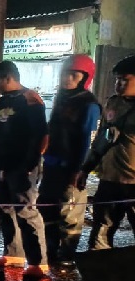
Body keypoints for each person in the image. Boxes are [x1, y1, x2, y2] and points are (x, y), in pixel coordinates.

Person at [0, 60, 49, 277]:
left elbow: (41, 136)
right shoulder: (1, 102)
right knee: (6, 209)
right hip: (1, 164)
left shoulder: (31, 99)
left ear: (9, 77)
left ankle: (38, 262)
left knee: (26, 211)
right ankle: (14, 254)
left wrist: (30, 165)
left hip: (22, 166)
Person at [38, 55, 101, 268]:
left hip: (71, 168)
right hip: (52, 165)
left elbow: (87, 139)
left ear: (85, 78)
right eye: (66, 73)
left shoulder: (89, 104)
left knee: (70, 212)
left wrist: (79, 169)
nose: (68, 78)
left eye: (74, 75)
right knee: (46, 208)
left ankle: (67, 255)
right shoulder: (61, 97)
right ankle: (49, 250)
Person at [77, 54, 135, 250]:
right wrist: (85, 169)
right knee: (100, 233)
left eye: (125, 79)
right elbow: (102, 139)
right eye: (117, 79)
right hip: (110, 181)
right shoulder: (113, 104)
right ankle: (97, 278)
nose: (118, 84)